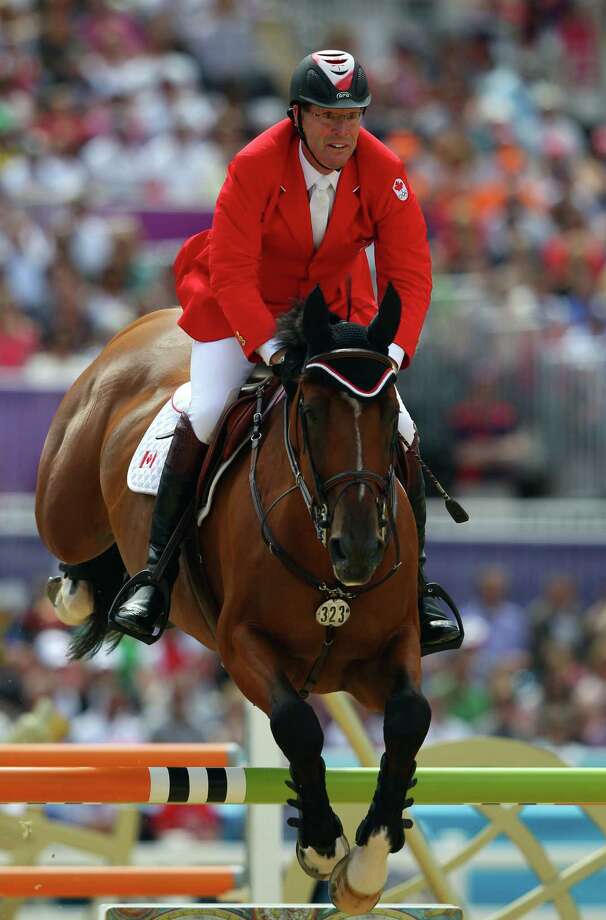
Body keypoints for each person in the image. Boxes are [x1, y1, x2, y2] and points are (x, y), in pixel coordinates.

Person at [112, 49, 462, 655]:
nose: (341, 130)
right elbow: (232, 271)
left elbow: (410, 273)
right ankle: (153, 575)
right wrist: (272, 351)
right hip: (244, 303)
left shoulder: (384, 169)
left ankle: (421, 588)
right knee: (206, 407)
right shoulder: (255, 165)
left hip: (336, 311)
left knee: (398, 423)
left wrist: (394, 355)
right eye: (328, 116)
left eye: (352, 116)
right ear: (297, 115)